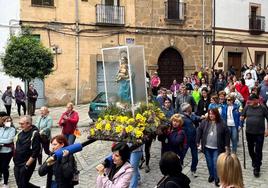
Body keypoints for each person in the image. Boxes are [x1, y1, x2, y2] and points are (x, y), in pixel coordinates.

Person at [196, 108, 230, 186]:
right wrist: (197, 141)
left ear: (216, 114)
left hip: (217, 148)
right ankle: (211, 175)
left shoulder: (222, 123)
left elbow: (227, 135)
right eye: (210, 114)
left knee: (215, 164)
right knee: (209, 163)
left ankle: (217, 178)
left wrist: (226, 146)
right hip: (207, 147)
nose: (211, 115)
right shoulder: (205, 122)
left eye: (213, 114)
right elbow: (199, 130)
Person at [240, 94, 268, 177]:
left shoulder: (262, 108)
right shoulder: (247, 107)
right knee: (251, 150)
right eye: (249, 100)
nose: (249, 101)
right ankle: (255, 160)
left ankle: (257, 168)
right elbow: (242, 115)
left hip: (259, 132)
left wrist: (267, 130)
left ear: (257, 100)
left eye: (251, 100)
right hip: (249, 132)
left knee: (258, 150)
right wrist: (242, 117)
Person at [13, 115, 41, 188]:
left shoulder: (35, 134)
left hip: (27, 163)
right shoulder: (20, 133)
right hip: (17, 163)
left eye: (22, 124)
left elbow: (35, 152)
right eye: (20, 123)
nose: (20, 125)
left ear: (28, 124)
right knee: (20, 183)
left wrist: (26, 165)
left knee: (22, 185)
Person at [181, 103, 203, 177]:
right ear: (186, 109)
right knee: (182, 156)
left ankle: (193, 170)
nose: (191, 107)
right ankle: (178, 170)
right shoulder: (182, 117)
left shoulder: (193, 115)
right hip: (185, 140)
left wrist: (202, 117)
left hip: (194, 139)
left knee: (195, 157)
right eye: (190, 107)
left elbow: (197, 118)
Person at [0, 116, 16, 187]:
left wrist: (1, 141)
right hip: (0, 151)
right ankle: (2, 178)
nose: (8, 122)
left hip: (7, 151)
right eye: (7, 121)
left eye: (10, 121)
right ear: (3, 122)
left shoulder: (12, 129)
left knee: (4, 167)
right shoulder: (0, 129)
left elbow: (9, 140)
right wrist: (3, 141)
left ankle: (5, 183)